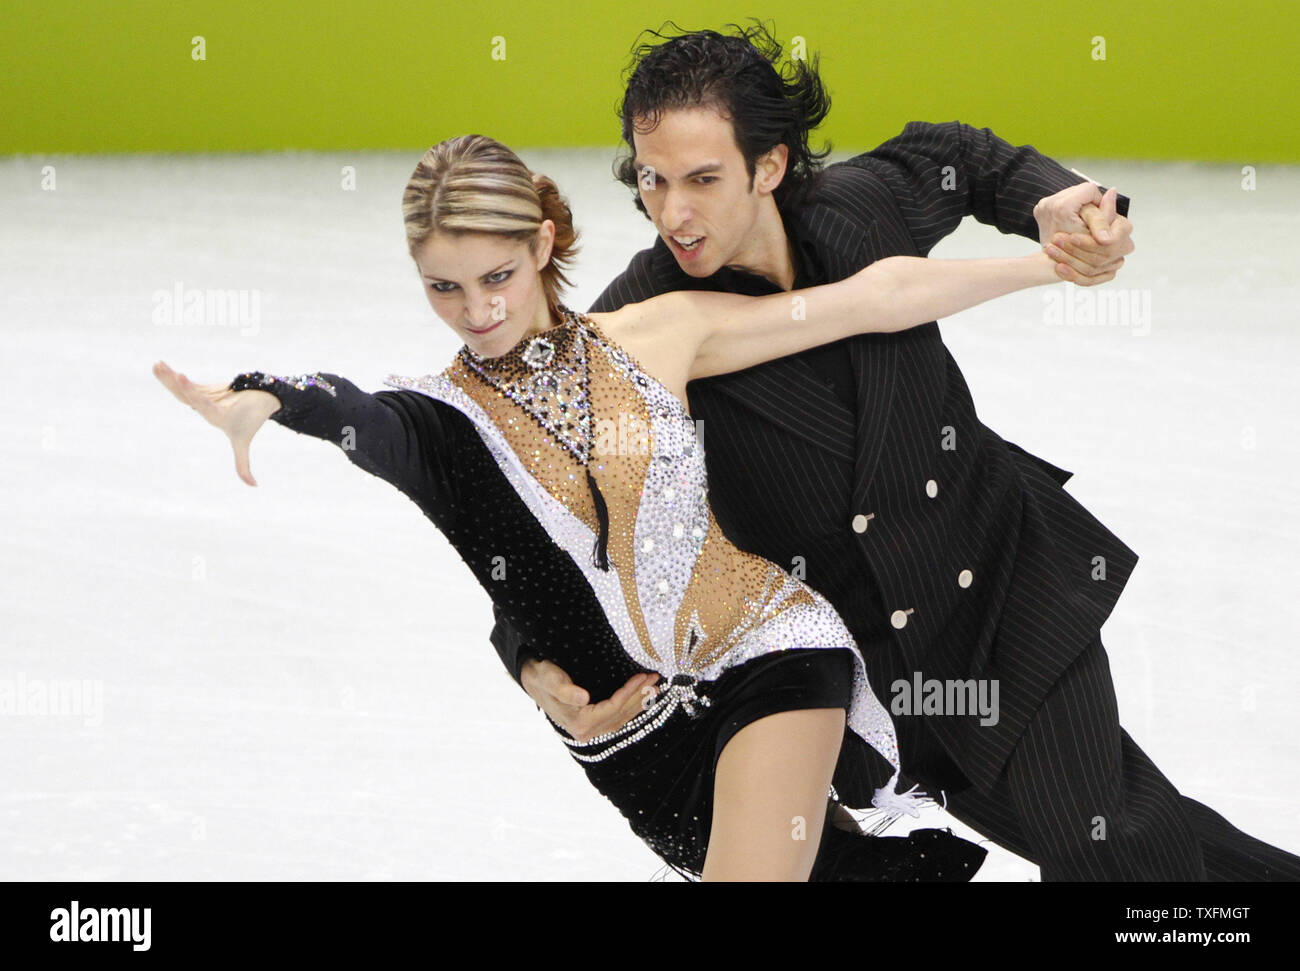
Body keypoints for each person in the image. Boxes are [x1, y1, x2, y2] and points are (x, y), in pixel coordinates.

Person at [490, 21, 1300, 880]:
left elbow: (963, 155)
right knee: (1141, 832)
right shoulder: (639, 329)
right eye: (653, 178)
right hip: (890, 682)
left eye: (703, 178)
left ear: (769, 166)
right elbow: (547, 510)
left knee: (1105, 838)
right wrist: (531, 654)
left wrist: (1051, 198)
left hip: (1003, 589)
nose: (672, 212)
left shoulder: (860, 208)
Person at [153, 130, 1065, 881]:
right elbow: (363, 416)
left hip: (771, 650)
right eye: (444, 287)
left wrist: (1044, 266)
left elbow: (871, 299)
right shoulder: (444, 422)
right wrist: (274, 396)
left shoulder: (656, 333)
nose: (476, 310)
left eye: (497, 276)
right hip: (638, 742)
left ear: (542, 245)